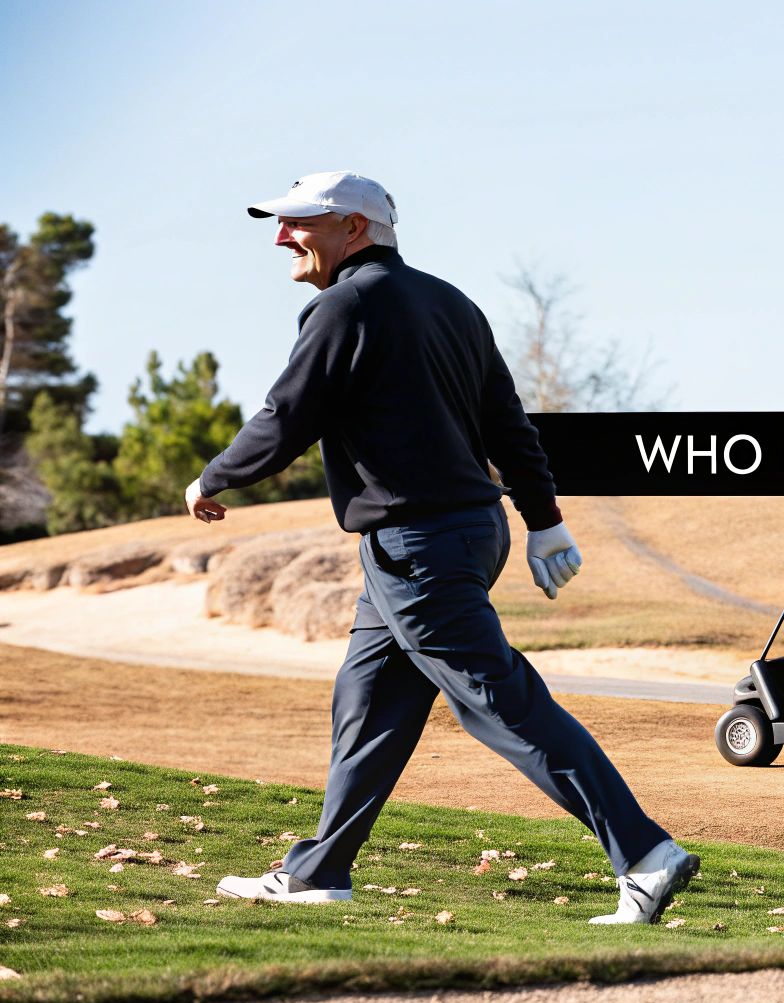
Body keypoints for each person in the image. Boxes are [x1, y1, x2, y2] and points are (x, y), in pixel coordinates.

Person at [189, 172, 695, 924]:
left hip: (417, 544)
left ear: (354, 229)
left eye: (300, 223)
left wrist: (215, 476)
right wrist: (542, 518)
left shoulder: (343, 304)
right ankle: (318, 872)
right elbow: (509, 426)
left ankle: (644, 853)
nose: (281, 237)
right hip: (452, 534)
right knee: (368, 704)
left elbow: (286, 412)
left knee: (500, 703)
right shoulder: (452, 302)